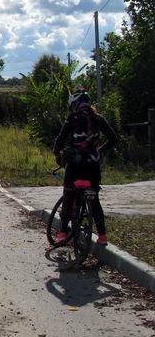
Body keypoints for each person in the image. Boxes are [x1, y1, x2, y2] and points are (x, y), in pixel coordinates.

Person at [52, 89, 118, 245]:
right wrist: (99, 151)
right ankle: (102, 236)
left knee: (68, 195)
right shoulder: (99, 118)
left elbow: (60, 139)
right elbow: (113, 139)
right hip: (93, 165)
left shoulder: (72, 118)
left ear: (75, 104)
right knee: (94, 200)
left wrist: (57, 153)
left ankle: (62, 233)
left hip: (75, 165)